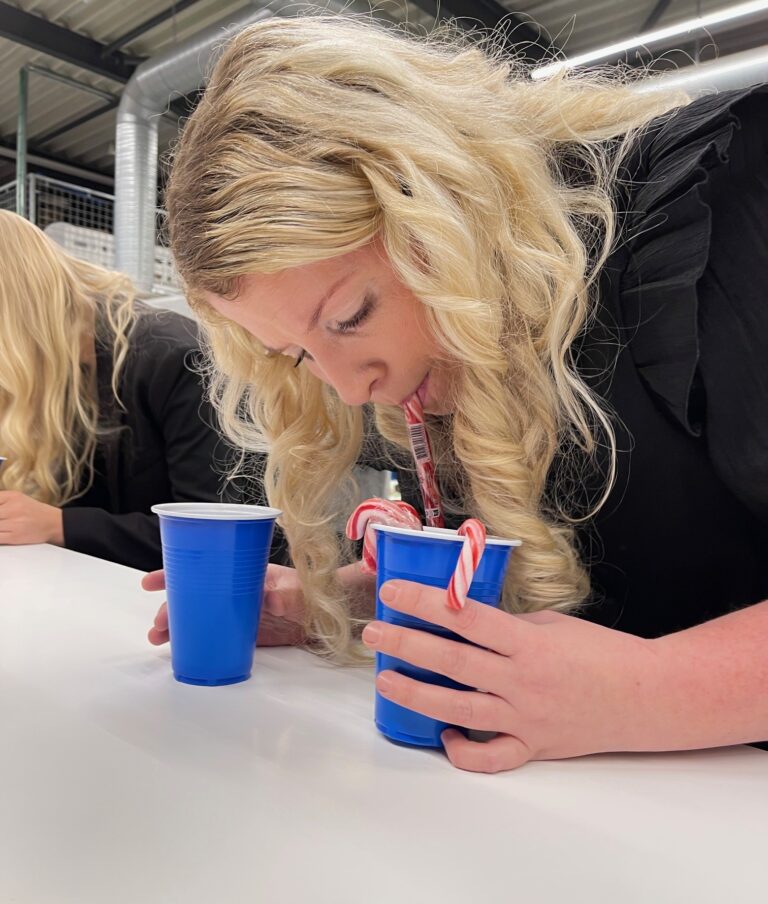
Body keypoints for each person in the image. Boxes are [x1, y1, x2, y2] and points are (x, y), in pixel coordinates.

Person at [145, 15, 768, 771]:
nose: (349, 387)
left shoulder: (723, 196)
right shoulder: (438, 362)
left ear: (442, 210)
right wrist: (341, 601)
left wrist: (646, 691)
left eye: (350, 316)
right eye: (299, 355)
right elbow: (580, 571)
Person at [0, 210, 230, 571]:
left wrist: (59, 525)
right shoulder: (59, 374)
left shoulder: (175, 358)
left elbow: (216, 532)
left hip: (192, 594)